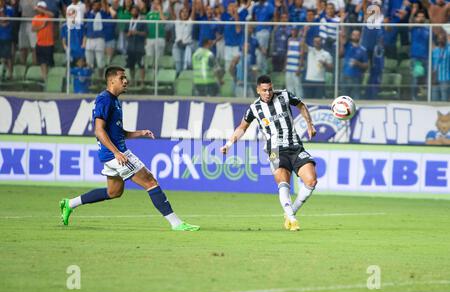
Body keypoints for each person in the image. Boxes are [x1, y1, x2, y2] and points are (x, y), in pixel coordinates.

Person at [59, 66, 200, 231]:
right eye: (121, 78)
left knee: (114, 192)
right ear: (111, 80)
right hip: (116, 155)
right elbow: (98, 130)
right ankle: (176, 223)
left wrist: (140, 132)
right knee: (150, 181)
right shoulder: (105, 99)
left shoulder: (114, 101)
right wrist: (116, 153)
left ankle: (70, 204)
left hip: (110, 155)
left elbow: (118, 132)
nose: (125, 81)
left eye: (125, 78)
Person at [220, 75, 317, 231]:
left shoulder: (284, 95)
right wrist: (229, 144)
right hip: (275, 150)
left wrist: (309, 125)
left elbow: (301, 105)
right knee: (283, 181)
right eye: (264, 90)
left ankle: (289, 212)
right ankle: (292, 220)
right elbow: (242, 127)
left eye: (270, 89)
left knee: (311, 181)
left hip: (295, 146)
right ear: (258, 90)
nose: (268, 93)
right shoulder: (254, 108)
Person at [31, 1, 54, 80]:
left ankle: (47, 77)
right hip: (40, 43)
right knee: (42, 62)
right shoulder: (36, 18)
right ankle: (44, 77)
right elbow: (33, 29)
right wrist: (42, 26)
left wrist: (42, 10)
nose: (39, 9)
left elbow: (52, 15)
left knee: (48, 62)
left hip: (49, 43)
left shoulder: (48, 16)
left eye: (41, 8)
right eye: (38, 8)